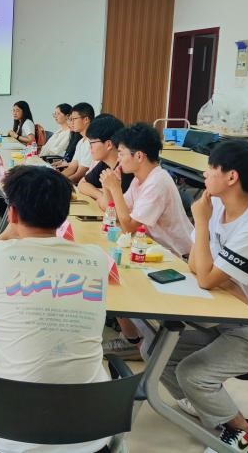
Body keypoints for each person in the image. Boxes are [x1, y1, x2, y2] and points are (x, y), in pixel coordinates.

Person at [0, 165, 110, 453]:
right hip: (90, 435)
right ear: (64, 213)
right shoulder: (97, 259)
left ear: (12, 213)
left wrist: (5, 236)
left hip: (5, 437)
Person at [159, 141, 248, 452]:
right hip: (235, 315)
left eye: (211, 168)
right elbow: (195, 263)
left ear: (231, 177)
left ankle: (241, 430)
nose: (205, 173)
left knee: (192, 373)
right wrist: (206, 251)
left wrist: (201, 222)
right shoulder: (218, 206)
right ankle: (210, 409)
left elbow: (205, 277)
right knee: (159, 350)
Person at [99, 122, 193, 358]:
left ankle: (139, 341)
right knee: (109, 270)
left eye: (121, 153)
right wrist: (109, 189)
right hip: (151, 249)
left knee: (117, 279)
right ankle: (134, 338)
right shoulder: (140, 179)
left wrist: (115, 188)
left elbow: (129, 226)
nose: (118, 159)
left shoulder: (157, 182)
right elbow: (116, 214)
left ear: (139, 156)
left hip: (175, 259)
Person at [77, 114, 134, 211]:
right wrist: (100, 195)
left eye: (92, 143)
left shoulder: (126, 169)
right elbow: (82, 184)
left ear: (108, 145)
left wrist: (102, 198)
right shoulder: (105, 162)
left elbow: (109, 207)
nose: (90, 148)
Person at [59, 102, 95, 183]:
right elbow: (71, 168)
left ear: (86, 120)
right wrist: (55, 178)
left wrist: (60, 183)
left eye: (74, 119)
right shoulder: (81, 142)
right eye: (70, 119)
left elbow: (80, 174)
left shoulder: (92, 142)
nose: (71, 123)